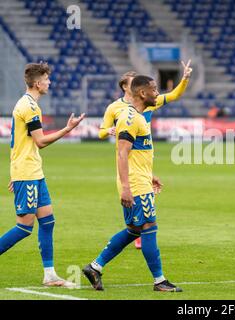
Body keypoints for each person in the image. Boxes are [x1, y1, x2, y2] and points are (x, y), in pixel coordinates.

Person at [82, 75, 182, 292]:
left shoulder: (136, 116)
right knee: (149, 227)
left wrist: (149, 175)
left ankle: (95, 267)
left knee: (134, 229)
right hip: (135, 185)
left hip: (139, 180)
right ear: (142, 93)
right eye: (154, 90)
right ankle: (159, 281)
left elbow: (138, 152)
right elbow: (122, 153)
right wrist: (127, 187)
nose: (157, 93)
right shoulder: (130, 118)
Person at [0, 62, 85, 287]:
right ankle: (49, 274)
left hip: (32, 171)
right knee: (24, 227)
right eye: (47, 79)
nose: (50, 82)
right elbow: (40, 141)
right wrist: (67, 129)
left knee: (47, 221)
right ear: (38, 83)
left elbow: (19, 143)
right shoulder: (28, 106)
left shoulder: (29, 104)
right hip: (27, 172)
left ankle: (49, 275)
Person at [98, 60, 193, 249]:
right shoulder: (115, 108)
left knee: (143, 200)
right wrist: (109, 131)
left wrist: (185, 79)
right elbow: (101, 131)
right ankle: (143, 237)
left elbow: (174, 95)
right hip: (129, 153)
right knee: (140, 204)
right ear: (126, 87)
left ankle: (137, 232)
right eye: (133, 81)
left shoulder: (148, 103)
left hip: (144, 155)